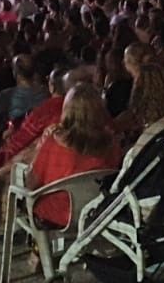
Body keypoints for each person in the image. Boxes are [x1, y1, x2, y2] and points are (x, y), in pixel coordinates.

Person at [27, 83, 122, 229]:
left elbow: (32, 184)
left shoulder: (55, 141)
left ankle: (38, 250)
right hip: (95, 216)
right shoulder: (112, 143)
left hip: (54, 217)